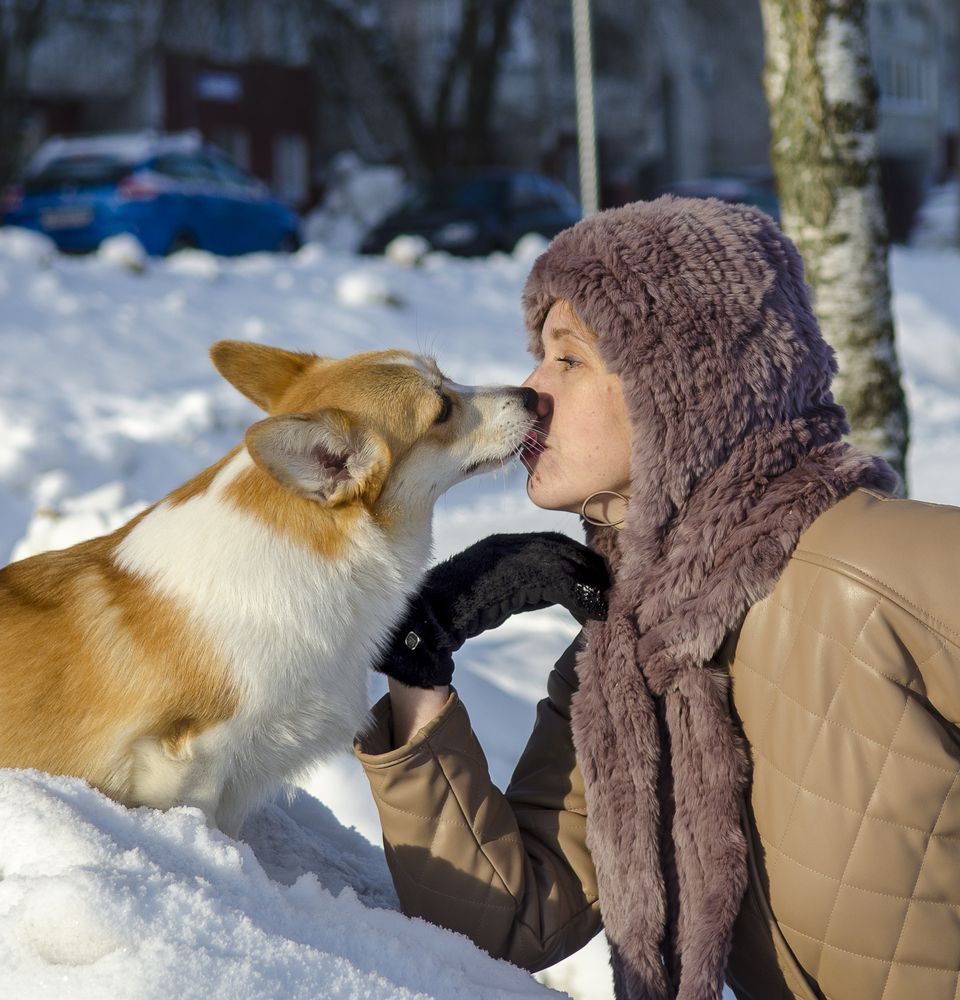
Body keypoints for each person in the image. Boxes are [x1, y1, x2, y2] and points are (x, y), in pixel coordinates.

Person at [352, 196, 960, 1000]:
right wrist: (419, 670)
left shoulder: (889, 563)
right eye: (538, 355)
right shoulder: (623, 659)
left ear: (684, 383)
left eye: (568, 359)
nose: (530, 390)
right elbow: (508, 924)